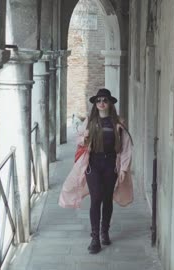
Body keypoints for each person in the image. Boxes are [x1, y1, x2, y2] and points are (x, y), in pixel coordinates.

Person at [59, 88, 134, 254]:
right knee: (96, 199)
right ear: (95, 104)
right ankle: (94, 238)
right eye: (98, 100)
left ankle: (104, 232)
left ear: (110, 103)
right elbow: (79, 140)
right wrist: (83, 137)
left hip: (110, 165)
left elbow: (126, 147)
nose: (101, 103)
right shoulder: (90, 121)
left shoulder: (118, 123)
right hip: (93, 165)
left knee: (107, 199)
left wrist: (124, 168)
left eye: (104, 100)